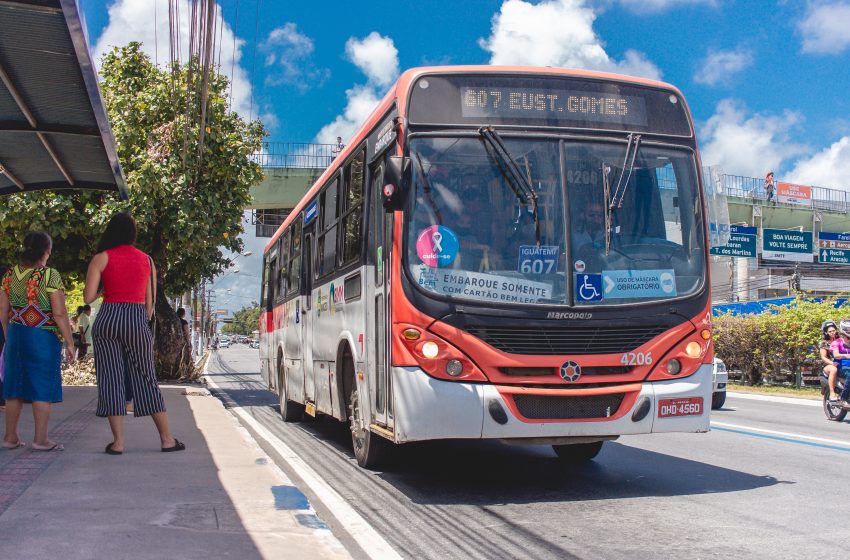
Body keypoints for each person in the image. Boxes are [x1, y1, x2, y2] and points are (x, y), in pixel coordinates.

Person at [84, 212, 185, 455]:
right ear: (132, 233)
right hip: (136, 319)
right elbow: (150, 305)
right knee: (146, 378)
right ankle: (167, 439)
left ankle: (118, 443)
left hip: (107, 319)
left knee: (110, 379)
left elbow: (87, 298)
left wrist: (106, 290)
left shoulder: (101, 258)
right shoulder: (146, 260)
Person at [1, 231, 76, 450]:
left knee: (13, 385)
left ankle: (10, 438)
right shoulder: (49, 275)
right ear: (47, 251)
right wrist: (70, 342)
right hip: (42, 336)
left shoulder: (9, 276)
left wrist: (9, 334)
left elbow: (2, 310)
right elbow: (60, 313)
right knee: (42, 385)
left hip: (15, 333)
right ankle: (41, 440)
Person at [819, 320, 840, 401]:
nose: (832, 332)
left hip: (842, 363)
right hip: (829, 365)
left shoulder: (841, 340)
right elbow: (823, 357)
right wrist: (832, 363)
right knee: (833, 369)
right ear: (826, 333)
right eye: (830, 331)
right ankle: (832, 393)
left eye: (833, 330)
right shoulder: (824, 343)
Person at [833, 319, 850, 410]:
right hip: (842, 367)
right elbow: (835, 355)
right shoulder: (837, 342)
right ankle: (843, 399)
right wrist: (846, 355)